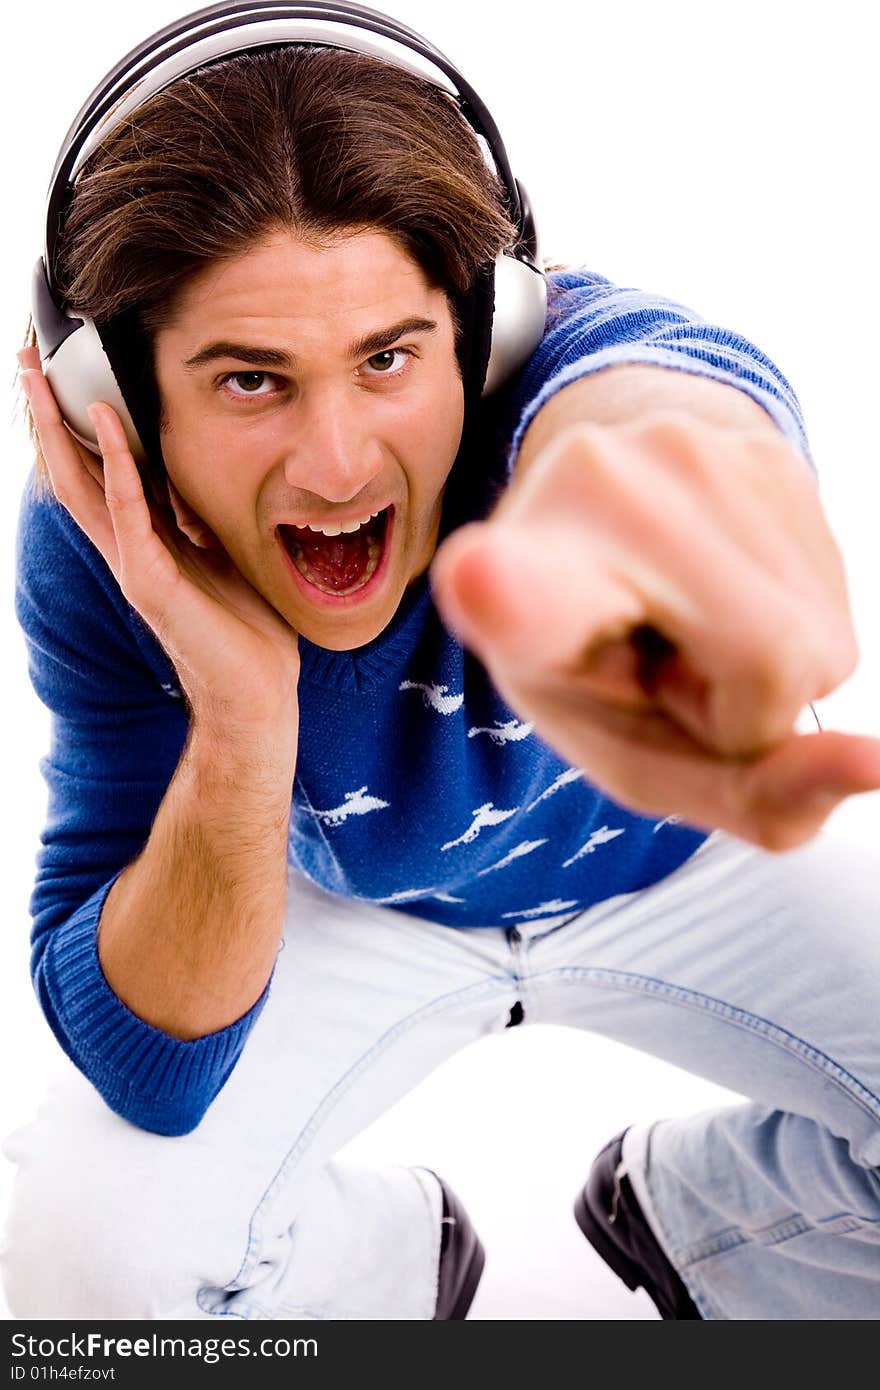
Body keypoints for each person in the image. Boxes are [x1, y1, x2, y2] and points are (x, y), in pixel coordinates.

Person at [4, 0, 880, 1321]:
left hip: (689, 845)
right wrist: (244, 718)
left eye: (390, 357)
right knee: (76, 1284)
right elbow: (152, 1070)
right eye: (251, 381)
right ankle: (392, 1277)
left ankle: (715, 1223)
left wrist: (669, 521)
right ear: (114, 401)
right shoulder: (100, 539)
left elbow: (659, 408)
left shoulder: (572, 371)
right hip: (342, 901)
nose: (341, 462)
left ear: (493, 330)